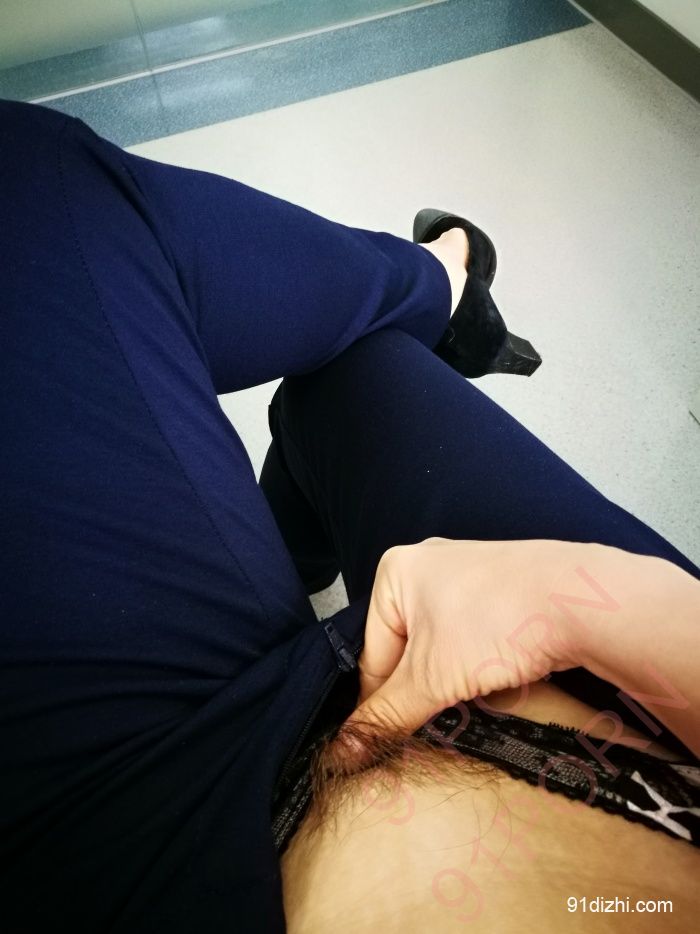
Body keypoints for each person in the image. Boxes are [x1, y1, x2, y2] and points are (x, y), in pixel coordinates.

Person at [0, 98, 697, 934]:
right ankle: (437, 301)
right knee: (347, 375)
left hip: (161, 831)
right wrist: (628, 611)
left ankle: (438, 284)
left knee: (29, 187)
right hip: (642, 715)